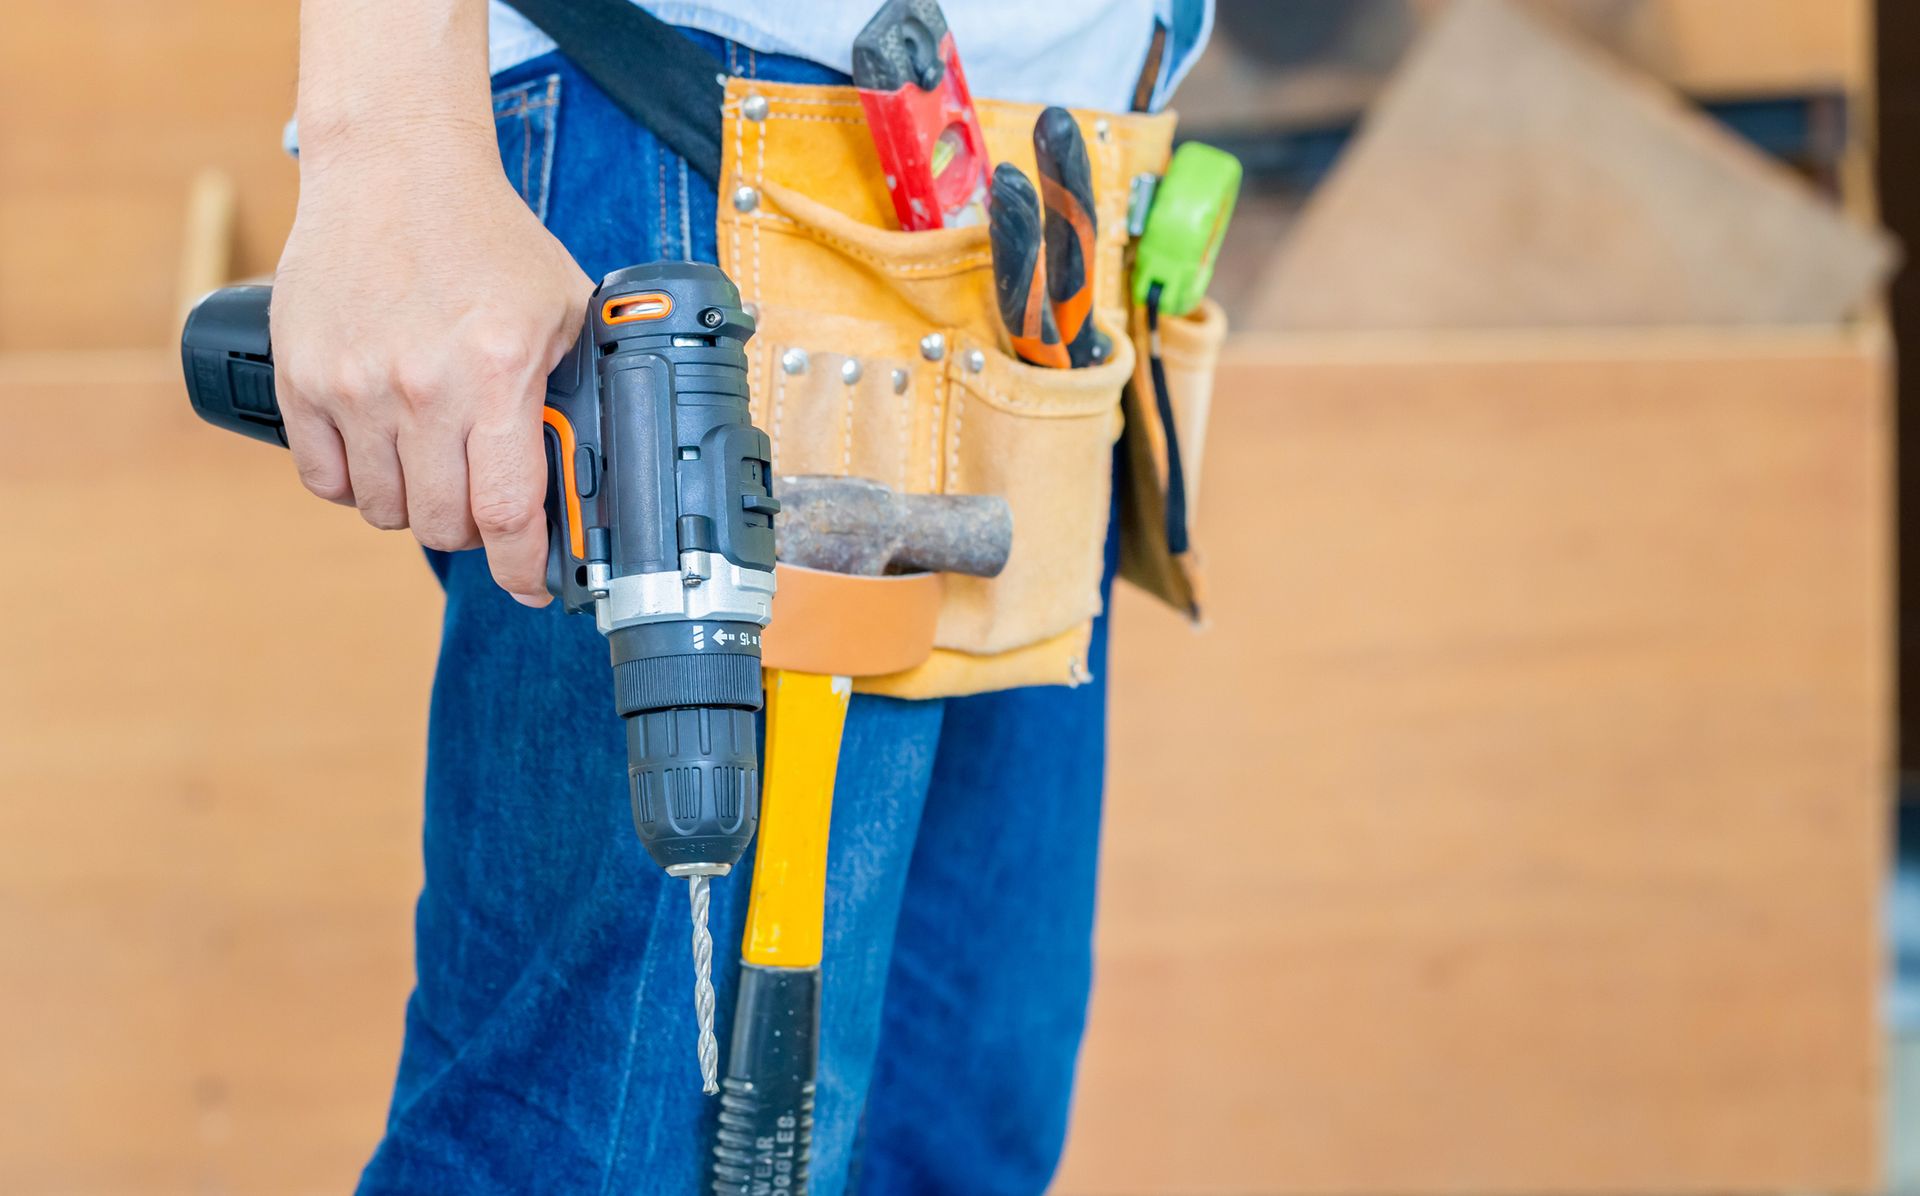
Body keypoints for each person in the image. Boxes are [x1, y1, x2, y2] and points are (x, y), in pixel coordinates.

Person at [273, 2, 1209, 1191]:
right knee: (601, 1155)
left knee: (954, 1142)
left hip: (1032, 202)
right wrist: (389, 132)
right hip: (701, 139)